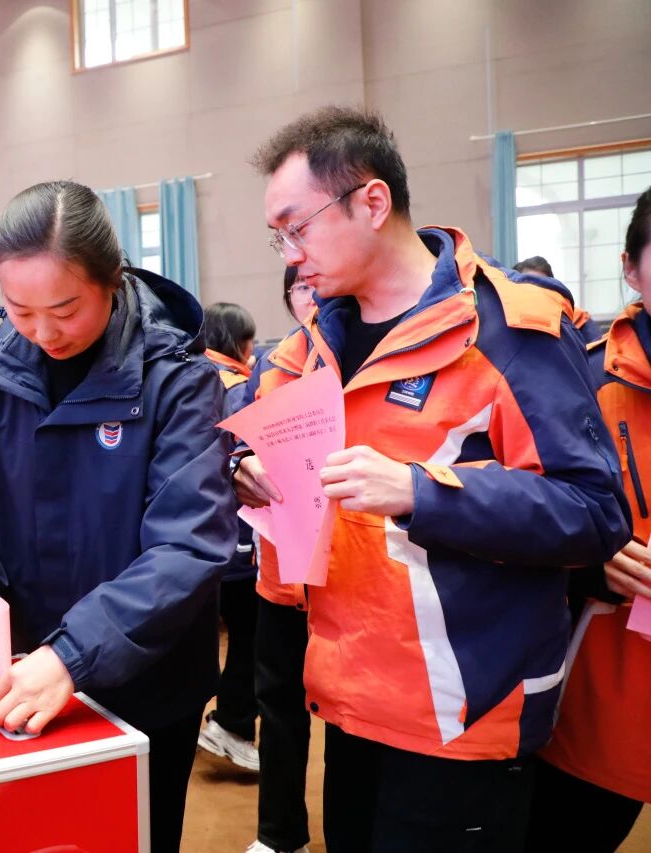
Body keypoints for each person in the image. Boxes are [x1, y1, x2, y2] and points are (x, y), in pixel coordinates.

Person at [237, 106, 630, 851]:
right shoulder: (313, 344)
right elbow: (253, 440)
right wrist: (245, 470)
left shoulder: (509, 329)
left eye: (298, 228)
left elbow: (592, 510)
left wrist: (423, 491)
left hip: (463, 713)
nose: (289, 255)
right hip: (350, 699)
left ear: (372, 202)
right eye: (276, 237)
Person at [0, 180, 236, 852]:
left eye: (64, 309)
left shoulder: (176, 378)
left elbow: (188, 544)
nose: (43, 332)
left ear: (112, 280)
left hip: (145, 679)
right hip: (17, 679)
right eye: (20, 311)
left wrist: (72, 654)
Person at [526, 187, 651, 853]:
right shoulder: (586, 379)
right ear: (630, 268)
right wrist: (592, 558)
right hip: (601, 688)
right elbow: (527, 514)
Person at [241, 266, 317, 853]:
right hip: (281, 572)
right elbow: (239, 444)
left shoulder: (373, 356)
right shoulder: (272, 366)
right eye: (301, 286)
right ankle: (279, 834)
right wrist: (238, 465)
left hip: (354, 579)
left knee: (355, 723)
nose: (313, 295)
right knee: (279, 707)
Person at [196, 302, 262, 773]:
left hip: (198, 538)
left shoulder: (188, 379)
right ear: (239, 342)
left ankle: (222, 721)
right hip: (238, 539)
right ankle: (232, 724)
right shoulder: (239, 388)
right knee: (251, 638)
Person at [513, 255, 601, 344]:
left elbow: (596, 349)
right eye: (529, 285)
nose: (535, 291)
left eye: (540, 285)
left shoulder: (578, 319)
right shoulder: (508, 320)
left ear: (552, 287)